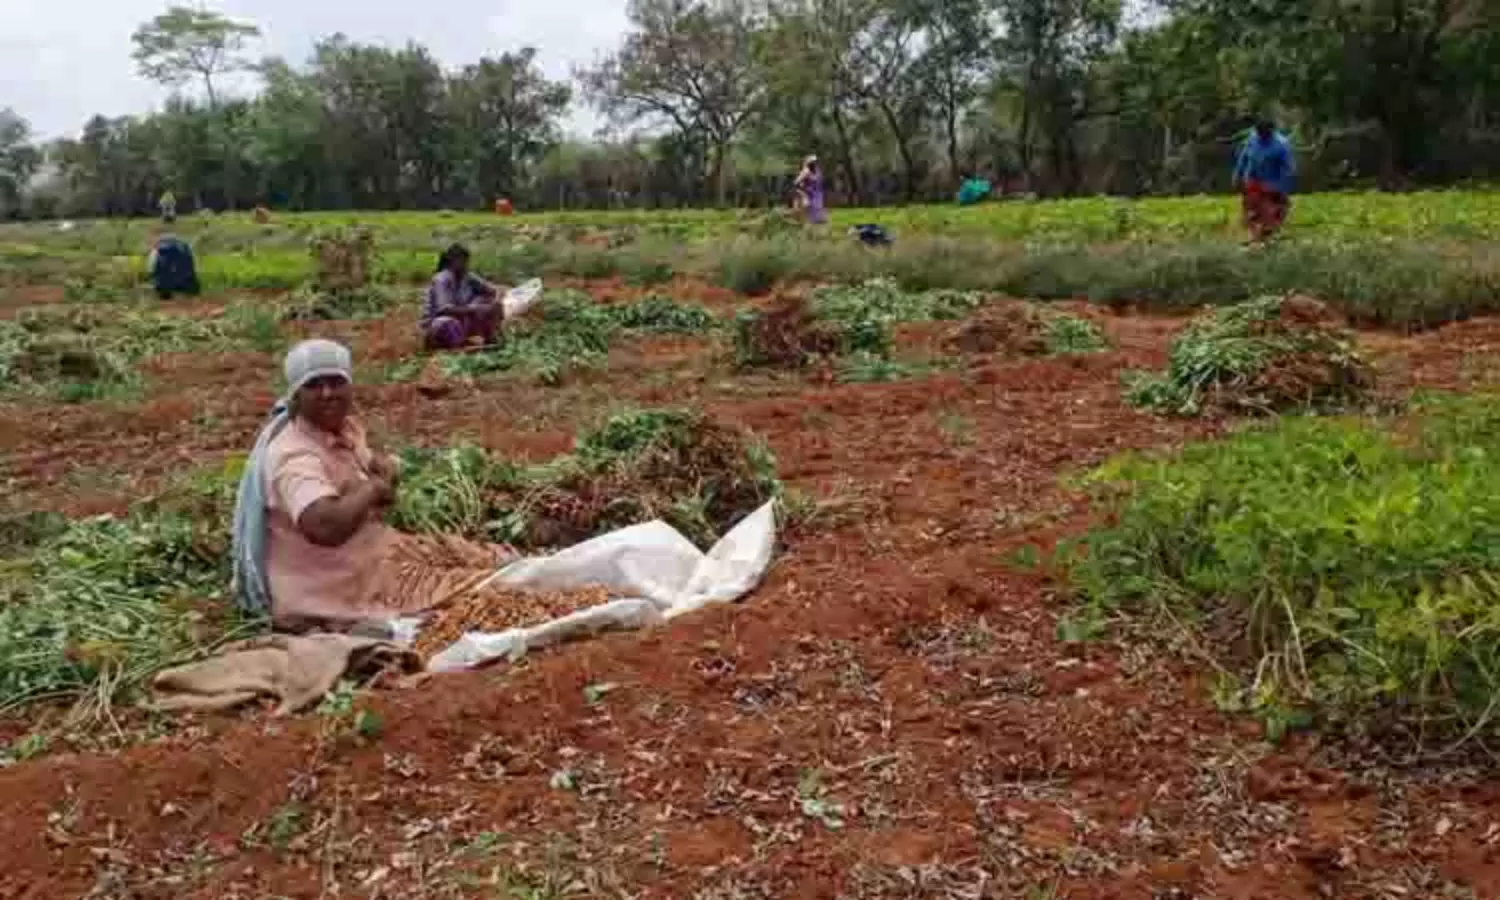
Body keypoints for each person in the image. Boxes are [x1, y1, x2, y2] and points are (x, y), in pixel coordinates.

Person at [231, 339, 516, 630]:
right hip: (337, 583)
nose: (327, 393)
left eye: (336, 382)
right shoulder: (293, 455)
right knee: (491, 591)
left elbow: (371, 469)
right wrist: (374, 488)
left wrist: (383, 471)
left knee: (496, 560)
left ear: (350, 386)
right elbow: (324, 526)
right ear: (295, 395)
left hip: (375, 552)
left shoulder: (344, 429)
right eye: (313, 385)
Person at [423, 244, 504, 351]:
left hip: (462, 319)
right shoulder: (441, 279)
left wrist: (493, 304)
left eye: (466, 261)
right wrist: (473, 309)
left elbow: (493, 290)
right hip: (439, 322)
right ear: (452, 261)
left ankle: (489, 338)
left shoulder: (468, 276)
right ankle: (459, 346)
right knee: (447, 324)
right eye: (463, 261)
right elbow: (444, 309)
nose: (466, 265)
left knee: (490, 304)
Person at [1233, 118, 1296, 242]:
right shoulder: (1252, 138)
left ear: (1271, 132)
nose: (1261, 136)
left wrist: (1281, 188)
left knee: (1271, 211)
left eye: (1264, 134)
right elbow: (1244, 157)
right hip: (1252, 178)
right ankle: (1253, 232)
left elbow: (1288, 169)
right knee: (1251, 208)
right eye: (1259, 134)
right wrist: (1237, 174)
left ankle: (1269, 231)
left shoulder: (1281, 145)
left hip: (1272, 182)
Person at [147, 233, 200, 300]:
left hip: (164, 283)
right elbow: (192, 268)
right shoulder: (184, 249)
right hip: (184, 280)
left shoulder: (158, 251)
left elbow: (151, 269)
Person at [794, 156, 828, 225]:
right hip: (809, 194)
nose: (814, 164)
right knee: (809, 208)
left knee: (818, 210)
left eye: (815, 162)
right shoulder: (806, 171)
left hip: (817, 193)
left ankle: (815, 222)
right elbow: (796, 182)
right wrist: (803, 190)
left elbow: (819, 181)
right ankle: (805, 222)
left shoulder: (817, 171)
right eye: (813, 162)